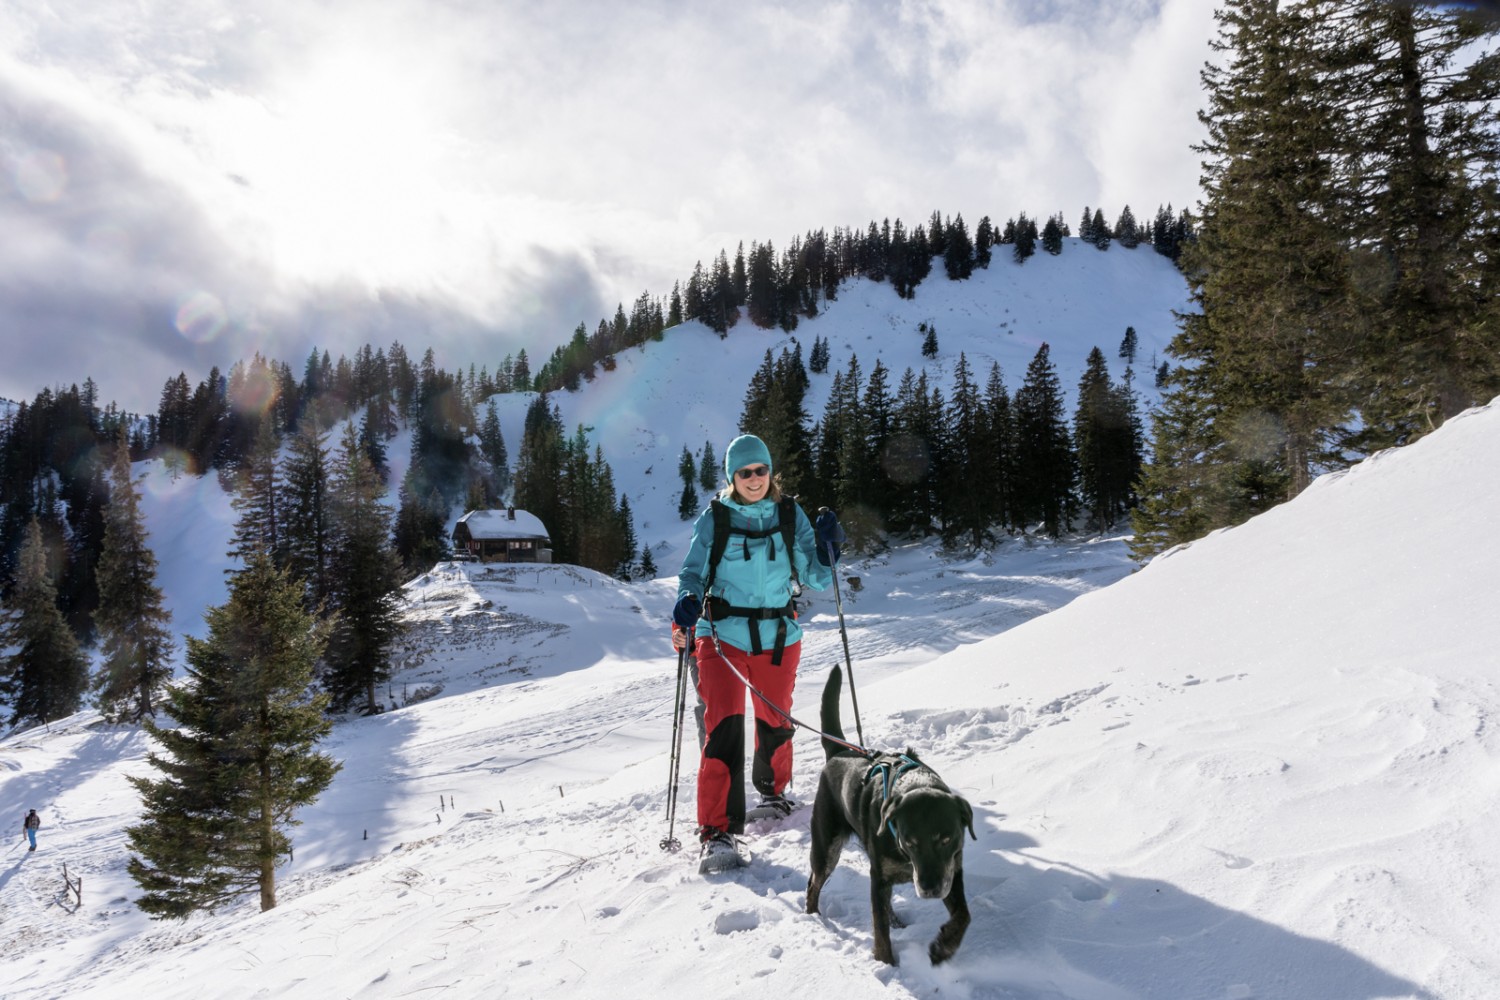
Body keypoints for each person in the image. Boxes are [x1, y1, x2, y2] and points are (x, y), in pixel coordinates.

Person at [673, 433, 845, 868]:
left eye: (761, 470)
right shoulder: (715, 519)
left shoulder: (790, 514)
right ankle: (717, 832)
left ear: (771, 473)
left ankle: (773, 792)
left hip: (777, 636)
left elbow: (818, 577)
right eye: (745, 472)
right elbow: (692, 572)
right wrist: (688, 602)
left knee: (776, 720)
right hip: (722, 636)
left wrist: (830, 549)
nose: (754, 478)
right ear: (733, 476)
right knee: (724, 727)